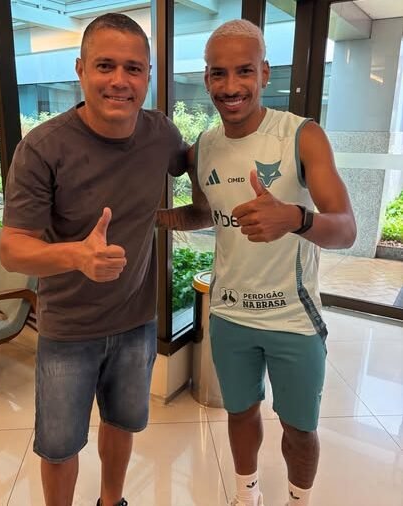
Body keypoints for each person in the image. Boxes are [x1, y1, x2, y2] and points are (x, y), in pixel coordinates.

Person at [157, 19, 356, 506]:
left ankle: (297, 501)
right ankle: (246, 496)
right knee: (240, 413)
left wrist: (295, 219)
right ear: (206, 78)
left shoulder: (301, 136)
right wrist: (152, 219)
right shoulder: (204, 147)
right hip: (228, 313)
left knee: (299, 428)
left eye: (244, 71)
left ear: (264, 72)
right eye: (218, 73)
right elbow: (203, 213)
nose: (231, 86)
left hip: (293, 318)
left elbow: (346, 228)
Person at [0, 13, 187, 506]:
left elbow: (203, 170)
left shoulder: (161, 135)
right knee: (60, 446)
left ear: (148, 76)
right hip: (68, 329)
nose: (120, 80)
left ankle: (111, 502)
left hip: (136, 321)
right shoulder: (43, 147)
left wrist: (197, 212)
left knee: (122, 423)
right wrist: (76, 256)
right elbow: (12, 248)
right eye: (105, 65)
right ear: (80, 69)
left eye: (133, 68)